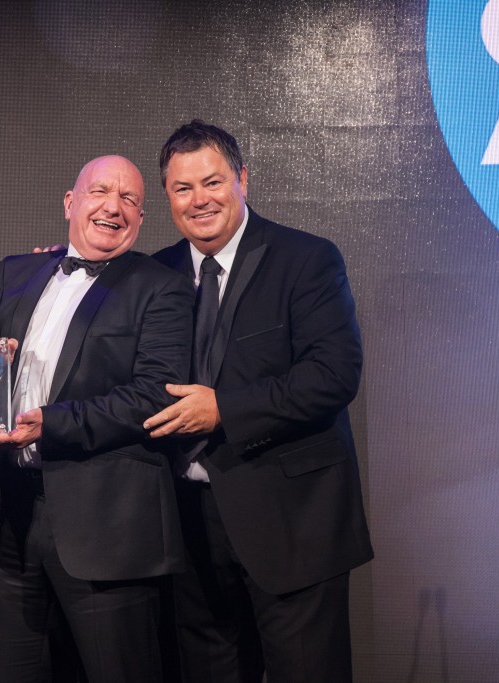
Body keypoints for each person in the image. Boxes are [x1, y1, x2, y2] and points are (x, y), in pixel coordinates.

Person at [144, 120, 374, 683]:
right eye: (182, 188)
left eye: (213, 181)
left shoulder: (307, 258)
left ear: (243, 179)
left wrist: (226, 409)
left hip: (291, 524)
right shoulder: (154, 274)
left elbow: (333, 374)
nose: (200, 200)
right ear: (167, 197)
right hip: (186, 530)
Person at [0, 155, 194, 683]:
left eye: (130, 199)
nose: (113, 206)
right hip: (16, 524)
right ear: (70, 202)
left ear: (140, 217)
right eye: (100, 192)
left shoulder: (161, 288)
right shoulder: (16, 273)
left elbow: (153, 396)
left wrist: (52, 422)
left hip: (108, 533)